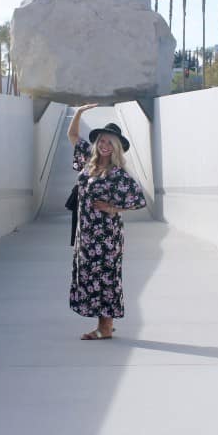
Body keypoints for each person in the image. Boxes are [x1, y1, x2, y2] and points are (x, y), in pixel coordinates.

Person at [67, 103, 147, 340]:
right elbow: (72, 135)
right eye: (102, 141)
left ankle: (104, 328)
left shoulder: (117, 173)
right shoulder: (88, 163)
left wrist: (112, 208)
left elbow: (138, 199)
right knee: (91, 276)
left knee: (106, 279)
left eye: (109, 143)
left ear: (116, 148)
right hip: (87, 233)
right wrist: (79, 113)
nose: (104, 146)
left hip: (106, 235)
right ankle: (105, 326)